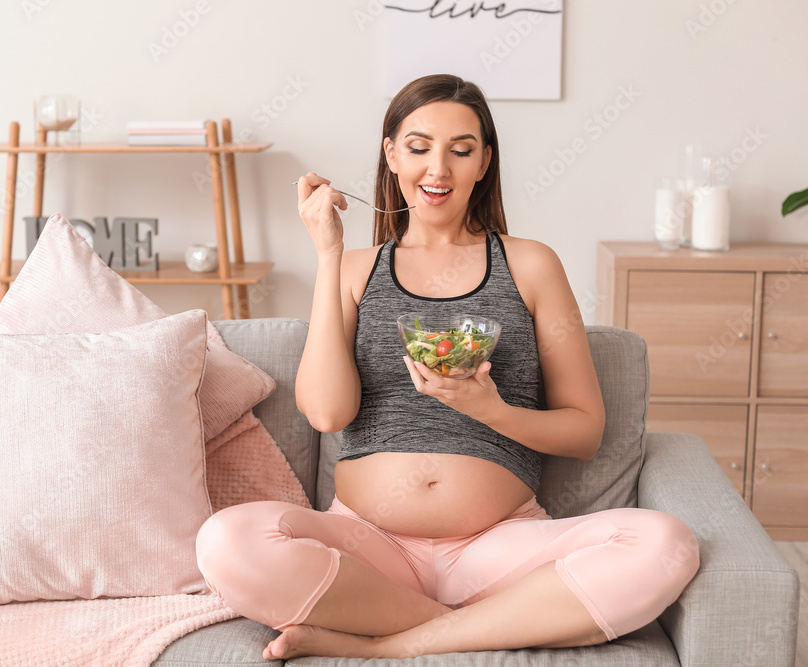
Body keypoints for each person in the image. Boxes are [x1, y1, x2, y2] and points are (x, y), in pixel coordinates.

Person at [194, 73, 699, 661]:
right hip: (368, 546)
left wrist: (493, 411)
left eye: (461, 150)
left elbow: (584, 431)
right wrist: (328, 252)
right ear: (390, 154)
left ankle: (386, 645)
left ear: (484, 162)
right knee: (226, 541)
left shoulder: (530, 265)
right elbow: (328, 412)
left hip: (499, 546)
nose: (438, 169)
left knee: (666, 542)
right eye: (418, 147)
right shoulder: (355, 268)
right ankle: (490, 626)